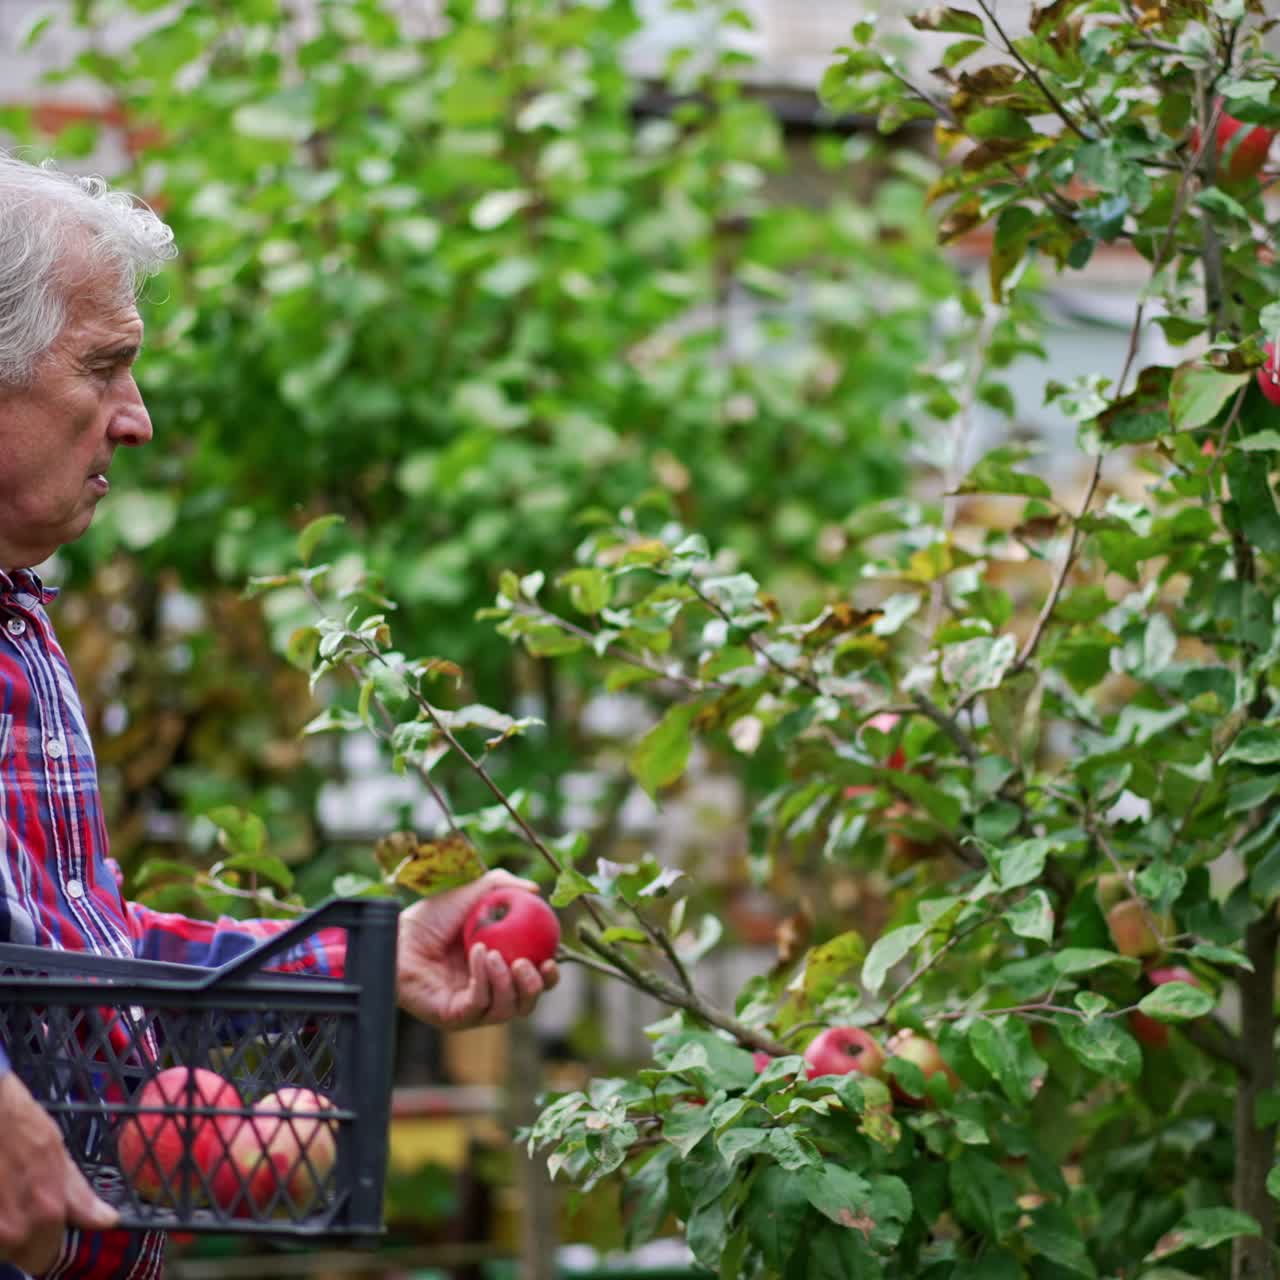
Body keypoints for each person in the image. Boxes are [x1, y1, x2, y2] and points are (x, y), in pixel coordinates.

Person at [0, 151, 560, 1280]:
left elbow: (85, 963)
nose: (138, 421)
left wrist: (364, 961)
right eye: (104, 369)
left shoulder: (23, 630)